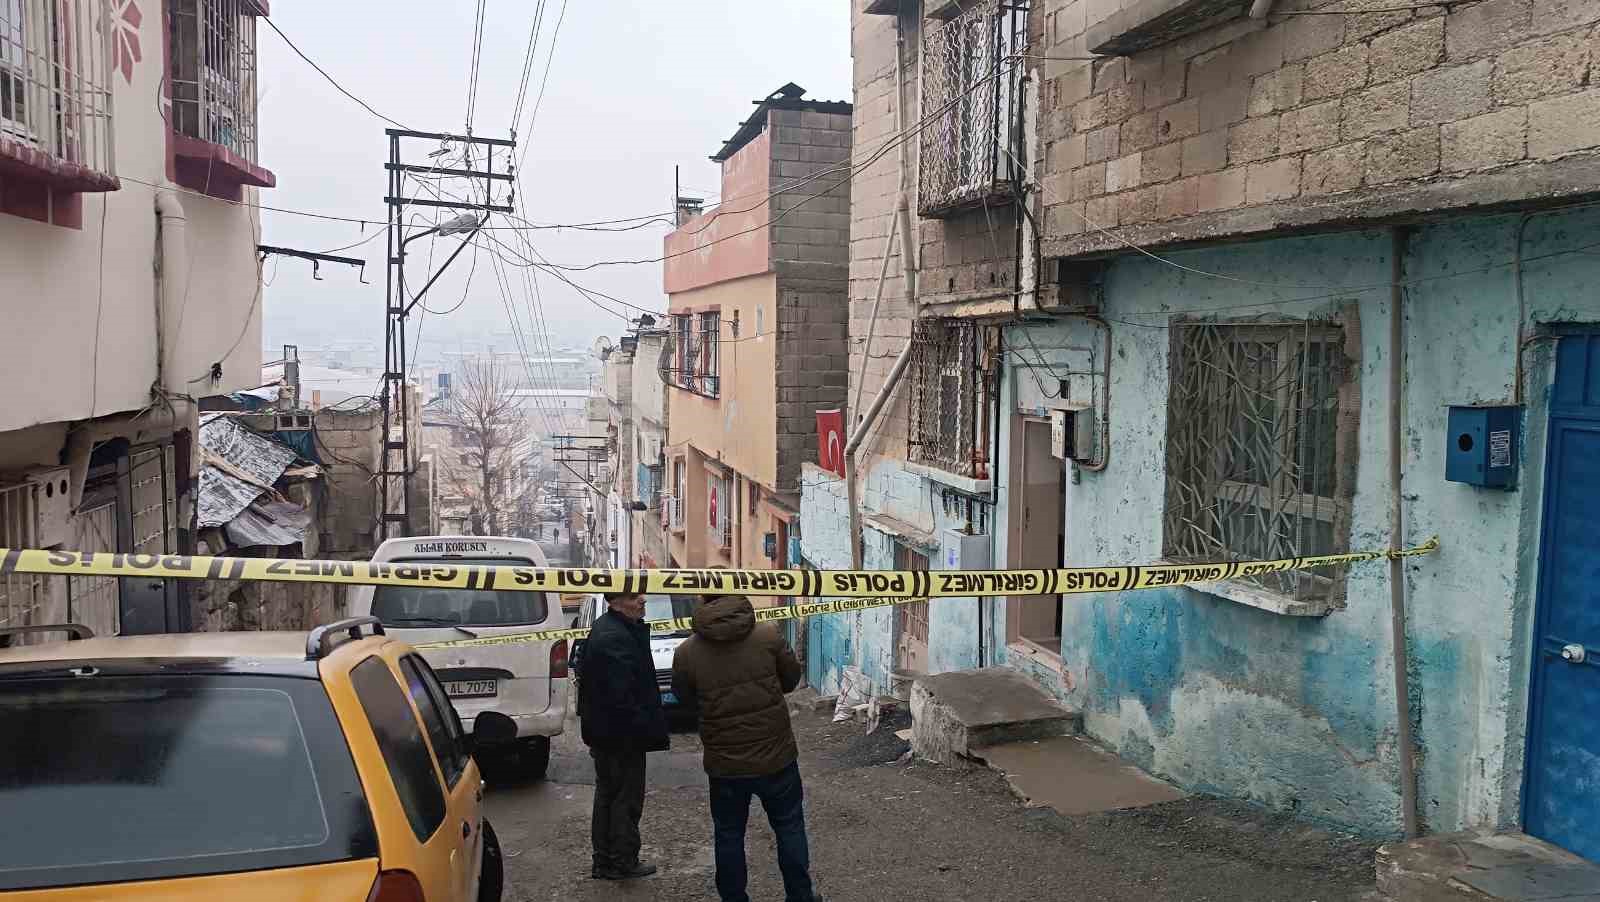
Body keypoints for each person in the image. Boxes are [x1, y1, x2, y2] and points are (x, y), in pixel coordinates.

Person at [672, 594, 820, 902]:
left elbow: (685, 699)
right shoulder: (768, 635)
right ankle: (800, 896)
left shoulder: (687, 651)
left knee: (729, 834)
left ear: (703, 600)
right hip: (776, 757)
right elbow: (791, 680)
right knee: (789, 827)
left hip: (725, 763)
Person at [576, 590, 669, 880]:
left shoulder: (614, 628)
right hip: (620, 737)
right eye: (633, 597)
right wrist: (642, 727)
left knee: (609, 794)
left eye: (640, 595)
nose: (642, 600)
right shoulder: (613, 637)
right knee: (624, 799)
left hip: (609, 733)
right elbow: (622, 696)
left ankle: (605, 860)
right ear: (615, 602)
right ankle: (621, 861)